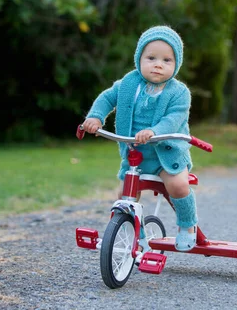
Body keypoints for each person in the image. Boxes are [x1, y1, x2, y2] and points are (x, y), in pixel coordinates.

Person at [81, 25, 198, 252]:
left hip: (167, 153)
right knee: (125, 194)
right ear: (139, 58)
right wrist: (95, 117)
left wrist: (154, 130)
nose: (158, 64)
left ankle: (187, 227)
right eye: (151, 57)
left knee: (178, 185)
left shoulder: (179, 92)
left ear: (176, 65)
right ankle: (138, 237)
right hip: (137, 155)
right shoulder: (128, 84)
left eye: (167, 60)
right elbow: (107, 98)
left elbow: (174, 118)